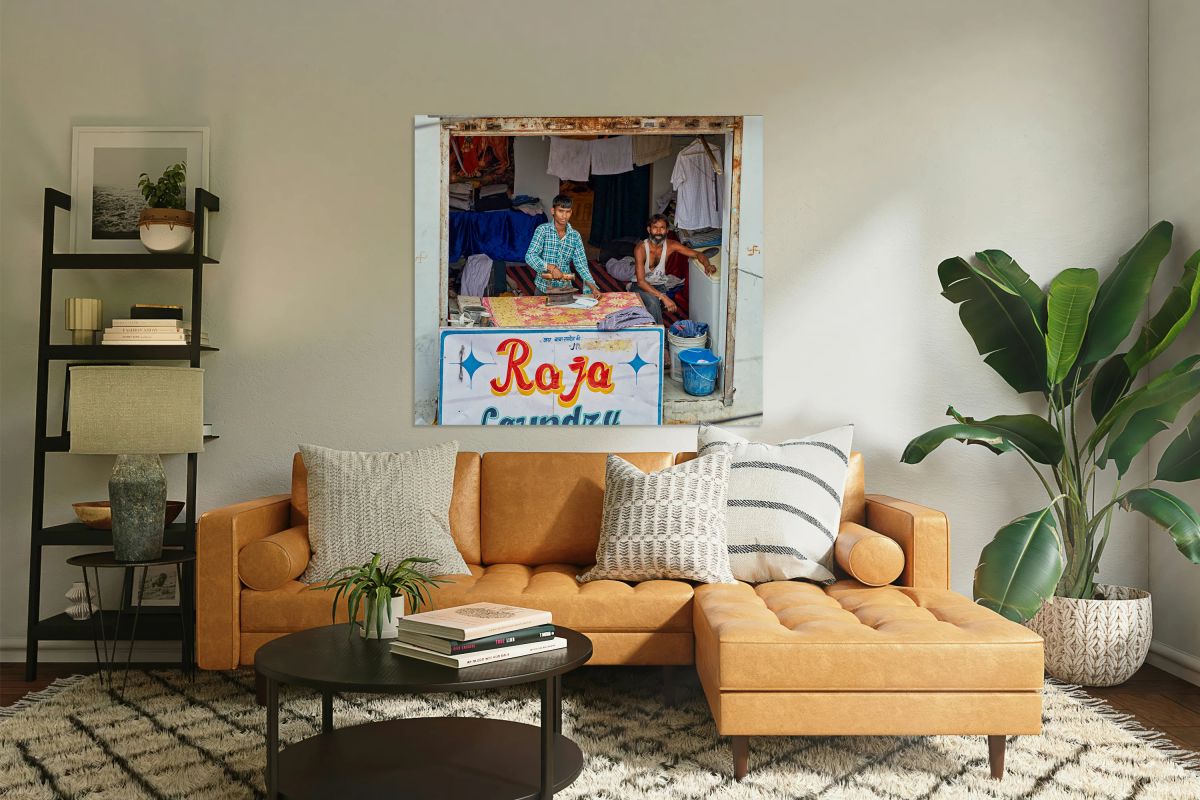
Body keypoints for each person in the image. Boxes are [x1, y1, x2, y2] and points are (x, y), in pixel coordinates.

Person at [630, 214, 714, 324]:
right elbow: (641, 282)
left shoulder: (671, 245)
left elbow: (698, 254)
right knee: (654, 302)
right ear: (649, 229)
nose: (659, 232)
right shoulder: (640, 248)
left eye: (662, 228)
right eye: (655, 228)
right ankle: (659, 336)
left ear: (667, 230)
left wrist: (707, 265)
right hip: (640, 286)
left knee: (658, 303)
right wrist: (663, 297)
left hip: (659, 285)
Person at [524, 195, 602, 296]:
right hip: (543, 287)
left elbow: (581, 265)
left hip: (565, 289)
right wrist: (551, 268)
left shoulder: (575, 236)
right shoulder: (542, 230)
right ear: (553, 211)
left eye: (567, 211)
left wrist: (593, 287)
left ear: (571, 212)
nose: (564, 216)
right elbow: (530, 256)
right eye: (560, 211)